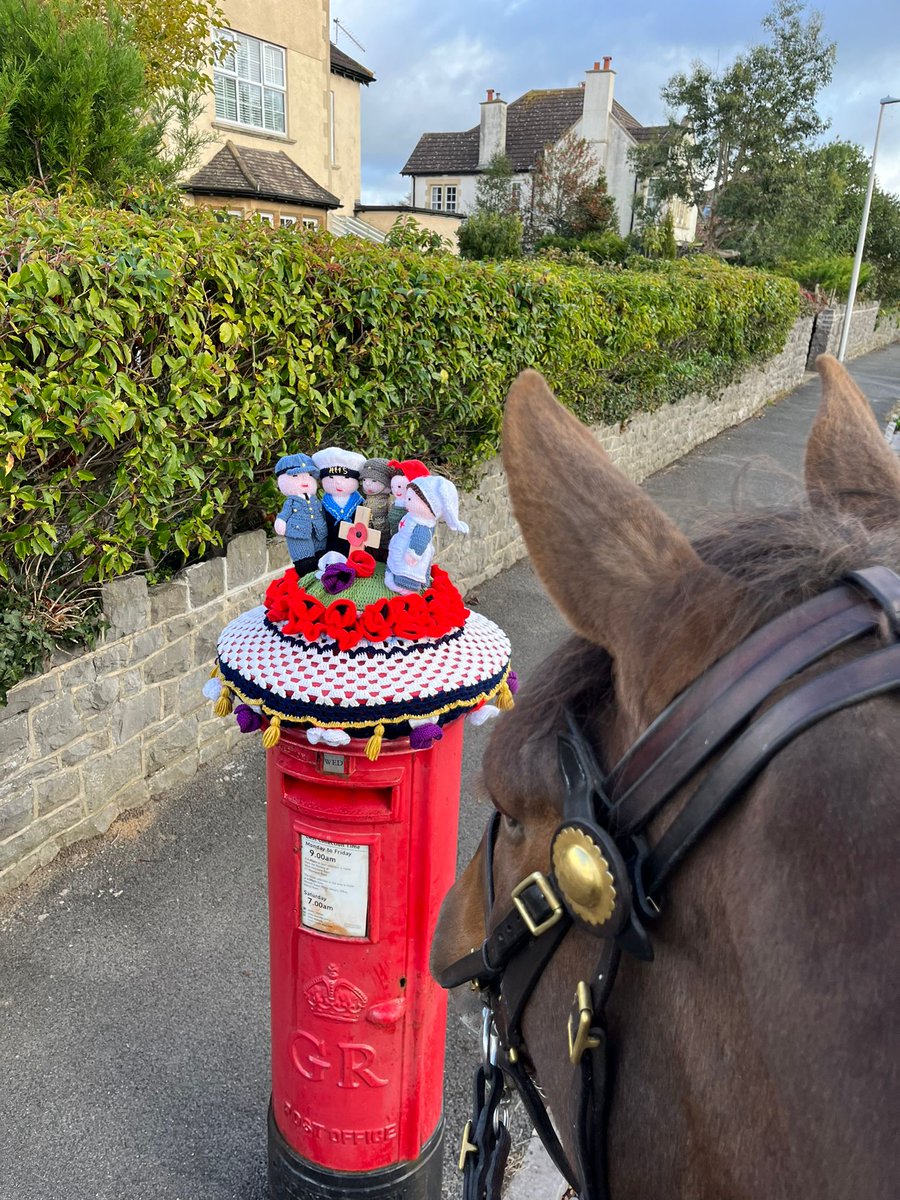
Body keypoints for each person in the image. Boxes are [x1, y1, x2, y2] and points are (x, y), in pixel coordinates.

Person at [385, 473, 469, 594]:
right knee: (396, 565)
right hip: (400, 549)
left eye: (410, 499)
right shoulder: (412, 516)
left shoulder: (423, 525)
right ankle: (393, 574)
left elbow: (420, 540)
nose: (407, 502)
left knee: (407, 572)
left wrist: (413, 555)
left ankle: (405, 588)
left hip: (408, 557)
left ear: (429, 506)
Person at [272, 452, 327, 578]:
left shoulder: (315, 499)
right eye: (296, 475)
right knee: (305, 561)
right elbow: (284, 513)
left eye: (308, 475)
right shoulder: (291, 501)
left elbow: (322, 512)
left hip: (319, 533)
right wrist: (281, 521)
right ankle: (306, 572)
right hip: (298, 534)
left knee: (322, 556)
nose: (305, 480)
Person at [311, 447, 367, 553]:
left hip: (356, 548)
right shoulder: (322, 505)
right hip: (330, 545)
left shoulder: (360, 502)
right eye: (331, 477)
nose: (338, 483)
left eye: (346, 478)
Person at [359, 458, 393, 562]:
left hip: (384, 537)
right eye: (364, 480)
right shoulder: (366, 499)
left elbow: (392, 518)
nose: (367, 484)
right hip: (367, 536)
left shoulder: (389, 500)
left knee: (384, 557)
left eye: (374, 481)